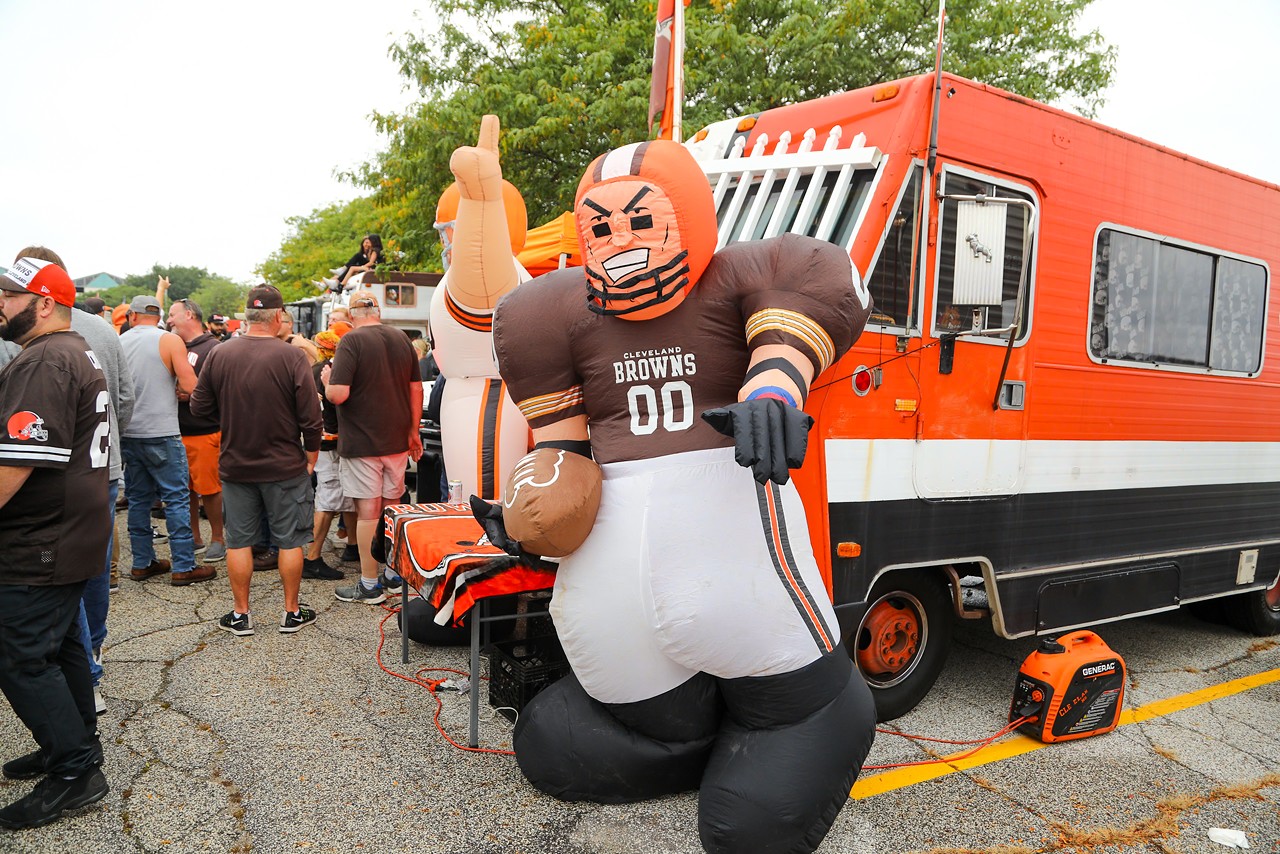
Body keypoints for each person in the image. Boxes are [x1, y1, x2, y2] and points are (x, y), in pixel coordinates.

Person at [483, 139, 877, 852]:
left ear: (690, 215)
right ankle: (699, 744)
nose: (620, 243)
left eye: (641, 220)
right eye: (600, 227)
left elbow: (806, 301)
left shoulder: (742, 278)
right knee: (556, 741)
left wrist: (772, 388)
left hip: (734, 546)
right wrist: (539, 494)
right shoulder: (552, 312)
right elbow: (562, 447)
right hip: (616, 583)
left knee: (768, 786)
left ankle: (774, 735)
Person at [0, 257, 110, 828]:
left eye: (11, 295)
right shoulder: (71, 350)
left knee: (17, 653)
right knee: (61, 642)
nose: (1, 302)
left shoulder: (45, 359)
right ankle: (72, 741)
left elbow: (18, 459)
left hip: (45, 535)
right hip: (73, 528)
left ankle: (76, 769)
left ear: (45, 303)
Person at [16, 246, 134, 716]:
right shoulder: (103, 329)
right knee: (92, 572)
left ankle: (81, 674)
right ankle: (92, 659)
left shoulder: (25, 338)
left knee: (57, 577)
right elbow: (122, 401)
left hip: (53, 475)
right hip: (104, 465)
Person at [190, 285, 323, 635]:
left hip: (236, 463)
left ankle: (241, 614)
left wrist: (231, 416)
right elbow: (311, 416)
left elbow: (198, 407)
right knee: (290, 540)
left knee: (239, 540)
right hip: (284, 464)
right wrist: (311, 455)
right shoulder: (292, 356)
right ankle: (291, 612)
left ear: (248, 315)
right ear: (278, 316)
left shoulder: (220, 353)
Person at [323, 290, 422, 604]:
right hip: (396, 440)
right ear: (378, 311)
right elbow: (416, 389)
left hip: (363, 441)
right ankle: (393, 576)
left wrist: (327, 380)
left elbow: (338, 394)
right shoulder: (401, 339)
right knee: (392, 509)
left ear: (352, 315)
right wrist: (413, 432)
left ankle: (368, 584)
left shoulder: (351, 341)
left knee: (368, 512)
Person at [119, 295, 217, 586]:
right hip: (162, 430)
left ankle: (142, 562)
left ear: (133, 316)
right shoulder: (169, 341)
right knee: (175, 499)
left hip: (129, 431)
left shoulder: (120, 341)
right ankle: (183, 565)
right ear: (158, 316)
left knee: (138, 500)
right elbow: (191, 386)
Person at [166, 297, 226, 563]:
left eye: (172, 314)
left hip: (205, 430)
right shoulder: (173, 345)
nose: (168, 320)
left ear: (189, 315)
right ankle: (194, 537)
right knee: (184, 490)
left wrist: (191, 394)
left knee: (210, 489)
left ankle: (218, 538)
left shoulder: (213, 347)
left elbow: (222, 390)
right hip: (177, 430)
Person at [301, 327, 355, 580]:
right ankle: (313, 558)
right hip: (330, 442)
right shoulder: (330, 372)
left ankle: (353, 546)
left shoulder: (311, 370)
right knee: (329, 497)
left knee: (348, 494)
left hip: (321, 440)